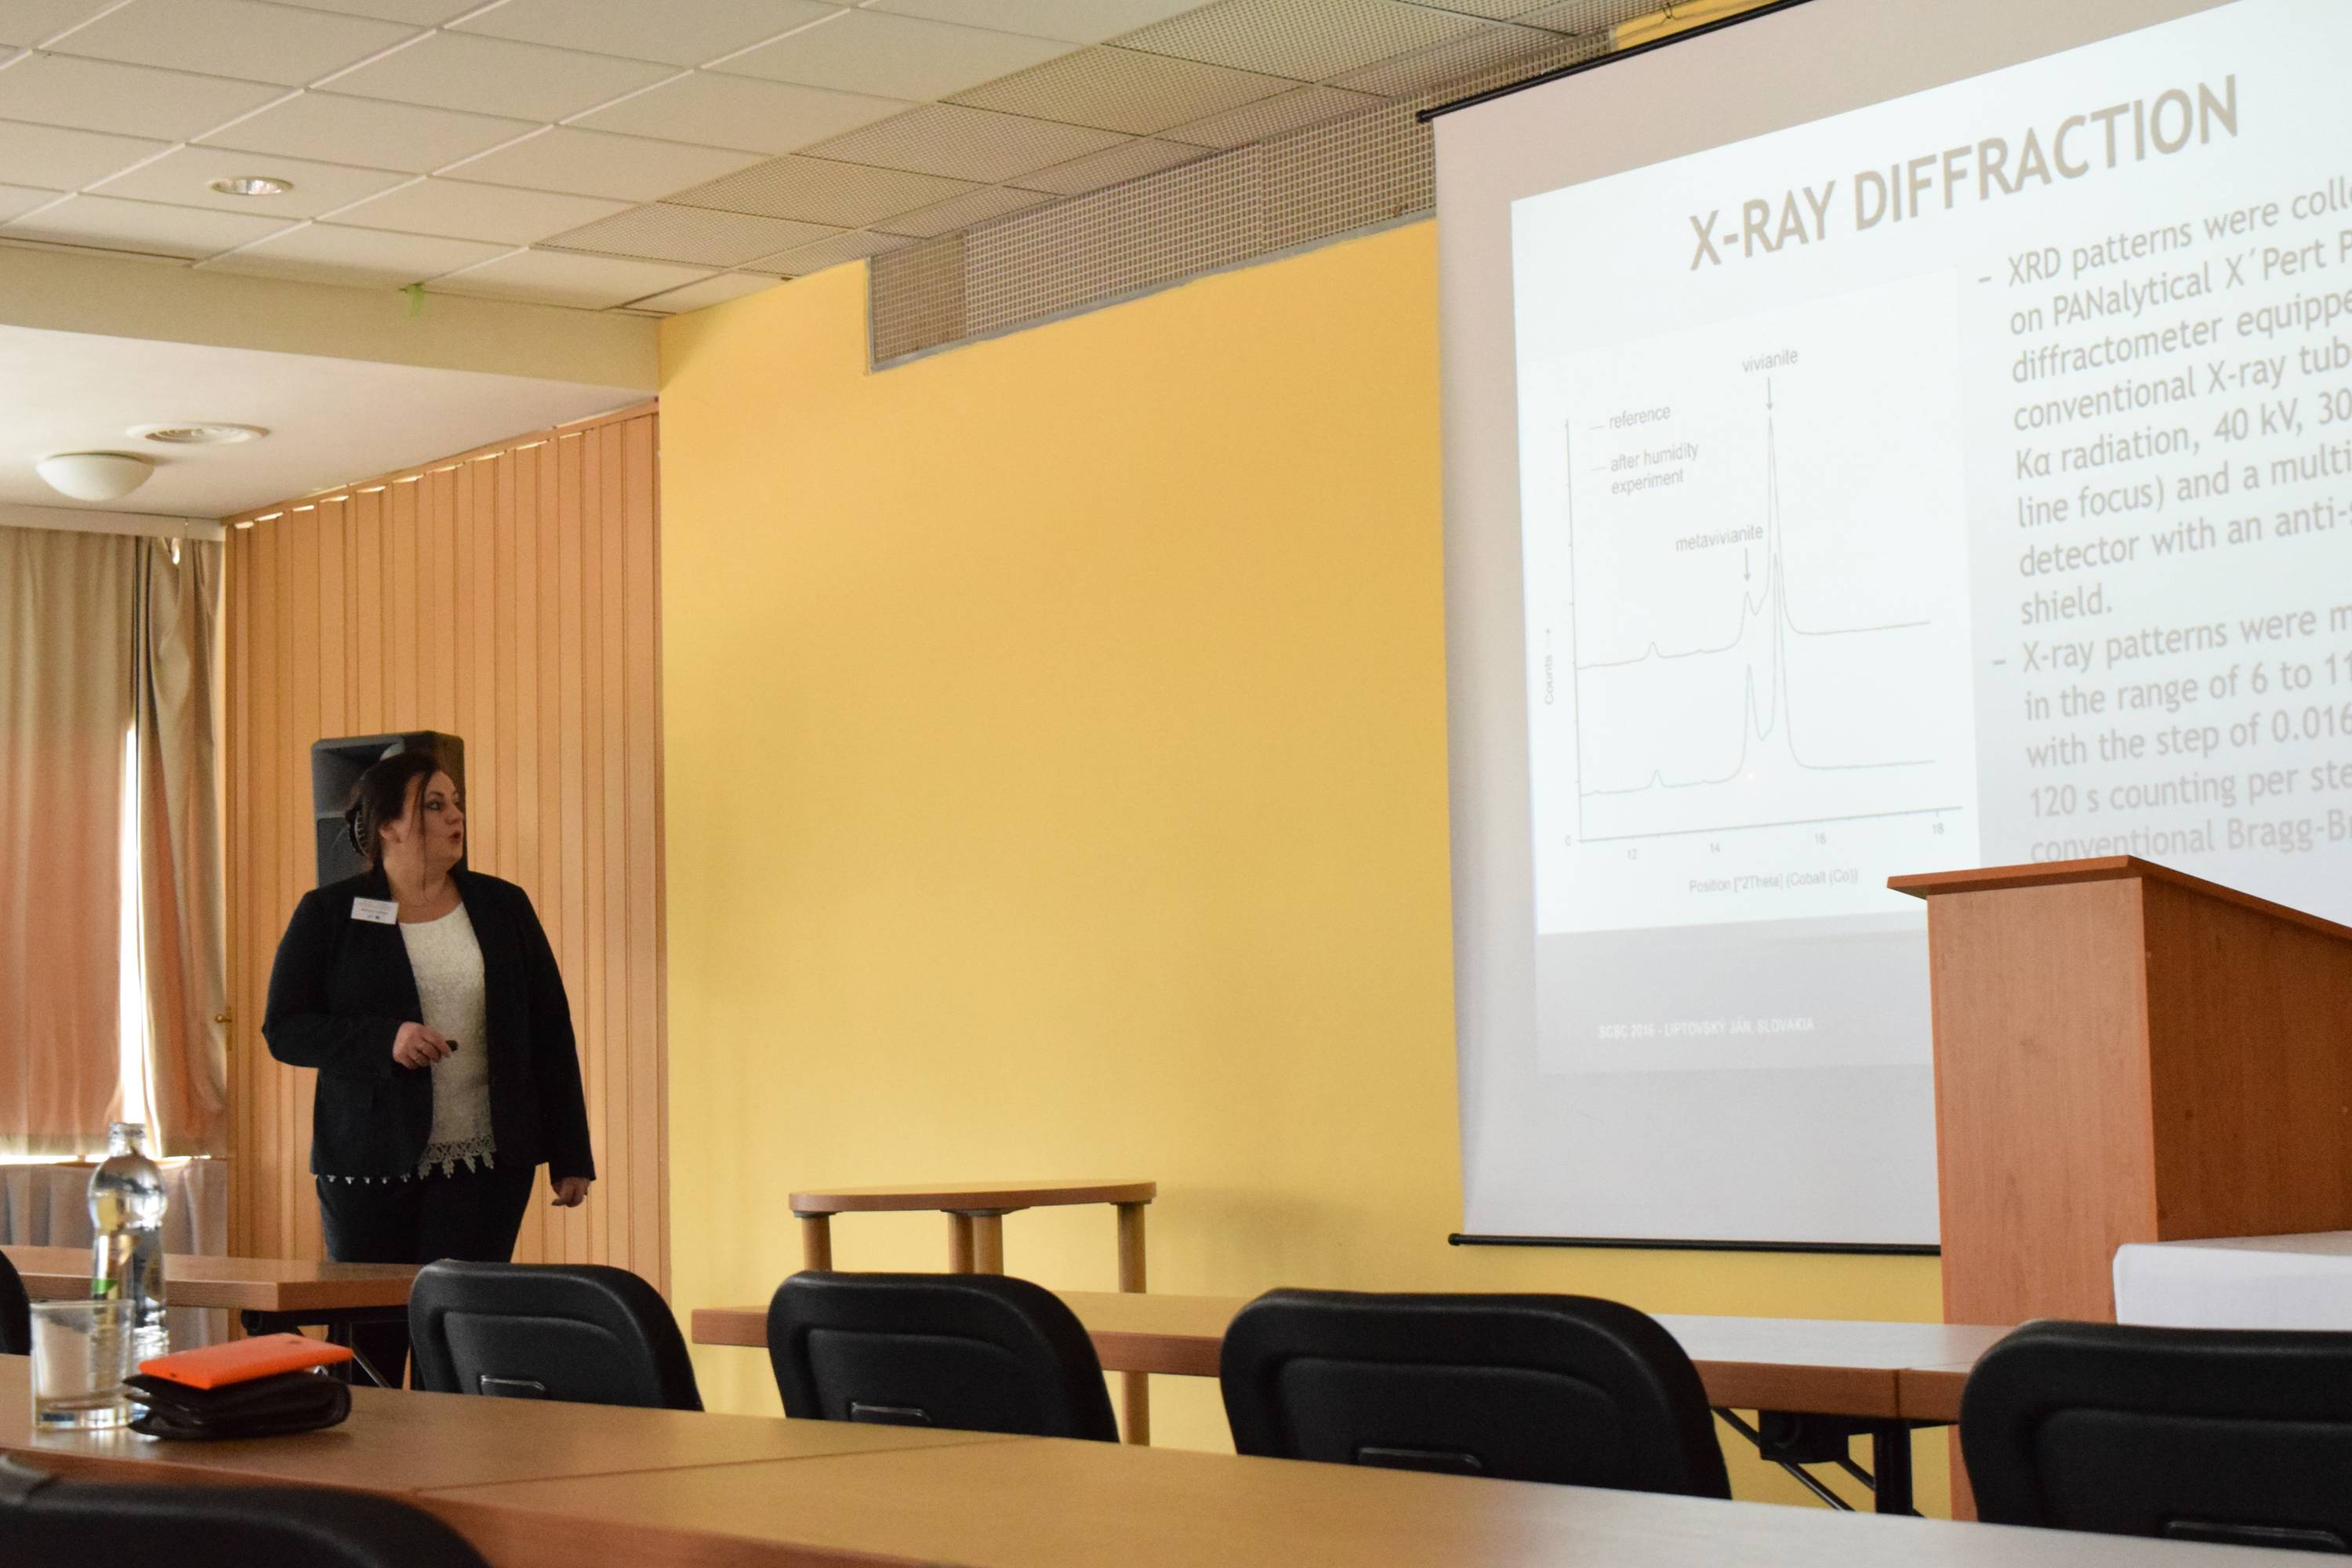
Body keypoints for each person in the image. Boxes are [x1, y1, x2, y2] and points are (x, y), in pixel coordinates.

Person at [263, 749, 593, 1386]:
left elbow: (550, 1030)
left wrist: (570, 1152)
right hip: (368, 1163)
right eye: (434, 805)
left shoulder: (503, 906)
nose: (454, 817)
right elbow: (286, 1029)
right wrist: (383, 1040)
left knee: (459, 1342)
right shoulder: (329, 913)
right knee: (372, 1347)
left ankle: (453, 1453)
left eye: (455, 803)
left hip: (487, 1163)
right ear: (388, 825)